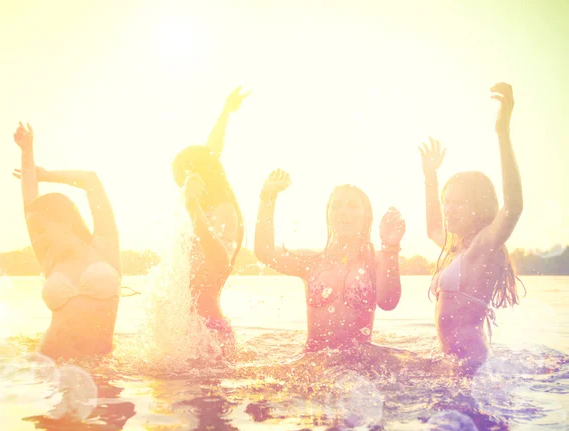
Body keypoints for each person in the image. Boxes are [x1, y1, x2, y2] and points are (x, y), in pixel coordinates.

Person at [420, 82, 523, 368]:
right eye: (446, 202)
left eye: (458, 203)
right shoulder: (458, 248)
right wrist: (430, 176)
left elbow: (513, 207)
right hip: (455, 360)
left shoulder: (482, 247)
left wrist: (502, 132)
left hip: (472, 362)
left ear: (479, 207)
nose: (448, 209)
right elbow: (431, 229)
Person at [255, 169, 405, 351]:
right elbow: (265, 252)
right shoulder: (312, 261)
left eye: (352, 206)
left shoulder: (376, 261)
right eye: (336, 206)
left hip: (360, 369)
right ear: (328, 215)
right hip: (314, 365)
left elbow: (388, 303)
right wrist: (267, 197)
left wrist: (390, 248)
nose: (343, 212)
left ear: (366, 216)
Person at [13, 122, 121, 359]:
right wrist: (26, 152)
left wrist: (47, 176)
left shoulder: (104, 247)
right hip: (49, 364)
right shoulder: (50, 259)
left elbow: (91, 180)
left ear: (63, 222)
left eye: (42, 229)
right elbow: (28, 198)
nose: (37, 237)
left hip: (100, 368)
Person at [170, 87, 248, 344]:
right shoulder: (207, 209)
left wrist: (192, 205)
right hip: (191, 328)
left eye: (185, 178)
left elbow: (219, 257)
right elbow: (211, 153)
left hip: (210, 330)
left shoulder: (224, 209)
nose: (182, 186)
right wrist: (226, 112)